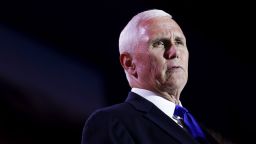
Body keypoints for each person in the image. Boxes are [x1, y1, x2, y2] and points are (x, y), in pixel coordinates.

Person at [81, 9, 225, 144]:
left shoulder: (206, 134)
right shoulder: (112, 121)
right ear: (129, 63)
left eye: (179, 42)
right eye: (159, 43)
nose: (174, 52)